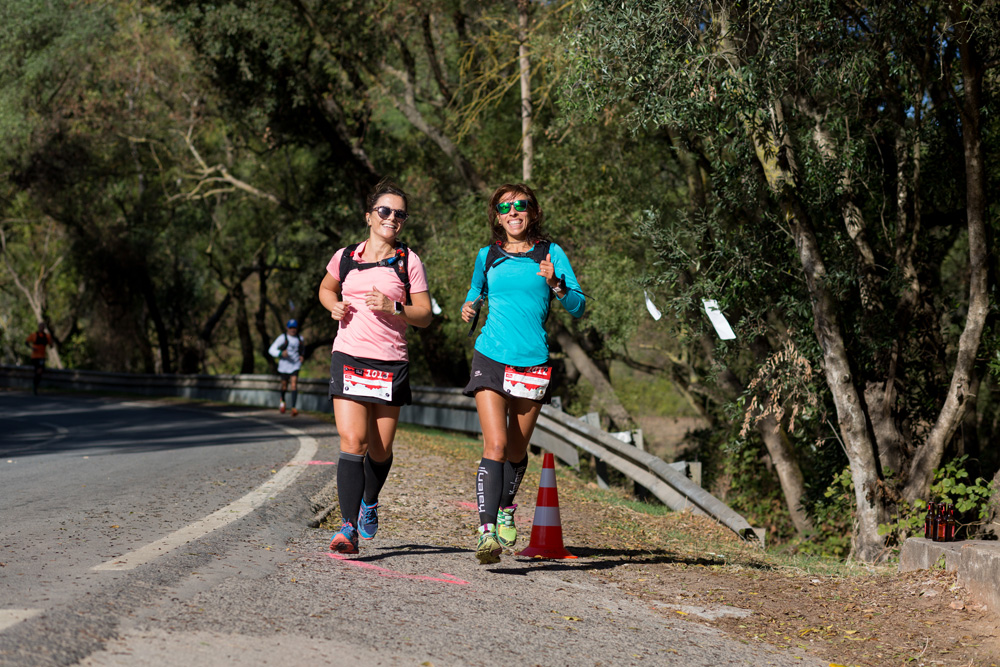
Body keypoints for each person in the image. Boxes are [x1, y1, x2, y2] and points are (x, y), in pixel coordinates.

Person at [460, 183, 586, 564]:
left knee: (516, 449)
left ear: (532, 212)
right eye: (505, 207)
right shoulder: (487, 255)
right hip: (490, 356)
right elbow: (475, 293)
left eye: (520, 205)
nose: (513, 212)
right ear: (497, 216)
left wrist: (556, 284)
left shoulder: (552, 254)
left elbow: (578, 307)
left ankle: (505, 508)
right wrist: (469, 307)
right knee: (495, 445)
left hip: (532, 361)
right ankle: (486, 533)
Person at [318, 178, 433, 554]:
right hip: (349, 354)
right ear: (369, 216)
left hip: (390, 362)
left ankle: (370, 500)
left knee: (380, 450)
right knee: (354, 442)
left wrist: (393, 307)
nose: (392, 218)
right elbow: (325, 288)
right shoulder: (346, 256)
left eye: (399, 214)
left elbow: (425, 315)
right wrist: (331, 305)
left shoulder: (408, 261)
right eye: (385, 211)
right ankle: (347, 527)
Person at [268, 319, 305, 416]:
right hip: (284, 366)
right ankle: (282, 401)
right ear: (287, 328)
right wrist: (280, 353)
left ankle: (293, 408)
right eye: (291, 328)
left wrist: (301, 356)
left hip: (295, 365)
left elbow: (302, 350)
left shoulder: (300, 339)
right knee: (284, 385)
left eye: (294, 328)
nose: (293, 330)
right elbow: (271, 349)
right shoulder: (282, 338)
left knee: (294, 384)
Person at [25, 322, 51, 396]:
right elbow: (26, 342)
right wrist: (31, 348)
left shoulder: (47, 336)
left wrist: (51, 340)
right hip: (34, 356)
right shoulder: (34, 335)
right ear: (38, 327)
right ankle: (35, 385)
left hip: (42, 357)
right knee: (38, 371)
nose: (42, 328)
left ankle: (35, 385)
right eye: (41, 326)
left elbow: (51, 345)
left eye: (43, 327)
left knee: (40, 371)